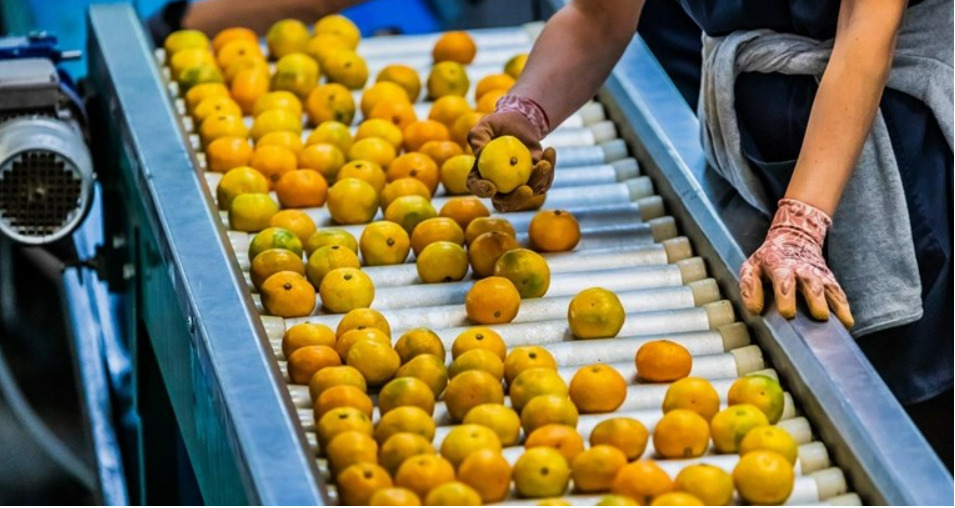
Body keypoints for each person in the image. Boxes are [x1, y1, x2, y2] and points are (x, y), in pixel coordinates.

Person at [468, 0, 952, 467]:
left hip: (900, 145)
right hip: (756, 149)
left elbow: (867, 32)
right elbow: (598, 16)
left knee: (912, 412)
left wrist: (801, 224)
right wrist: (528, 111)